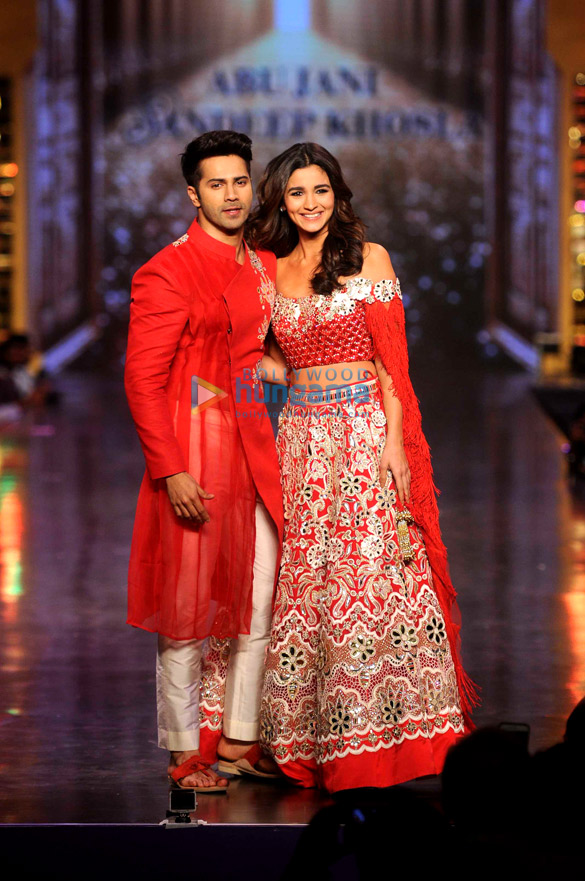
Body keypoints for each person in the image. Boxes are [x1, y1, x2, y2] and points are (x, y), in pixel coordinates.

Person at [249, 142, 478, 793]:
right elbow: (274, 362)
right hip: (301, 440)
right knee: (310, 580)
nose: (310, 203)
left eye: (320, 190)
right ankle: (311, 738)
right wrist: (231, 364)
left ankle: (392, 738)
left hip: (364, 433)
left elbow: (391, 362)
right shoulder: (268, 269)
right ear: (281, 200)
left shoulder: (369, 258)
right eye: (297, 192)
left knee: (372, 573)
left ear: (337, 194)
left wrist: (394, 443)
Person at [124, 130, 283, 792]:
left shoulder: (263, 264)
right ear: (194, 194)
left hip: (255, 448)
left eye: (240, 181)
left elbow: (255, 357)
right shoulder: (168, 270)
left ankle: (238, 741)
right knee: (186, 610)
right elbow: (142, 379)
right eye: (216, 184)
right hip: (194, 452)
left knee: (259, 597)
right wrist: (171, 469)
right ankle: (183, 753)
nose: (231, 194)